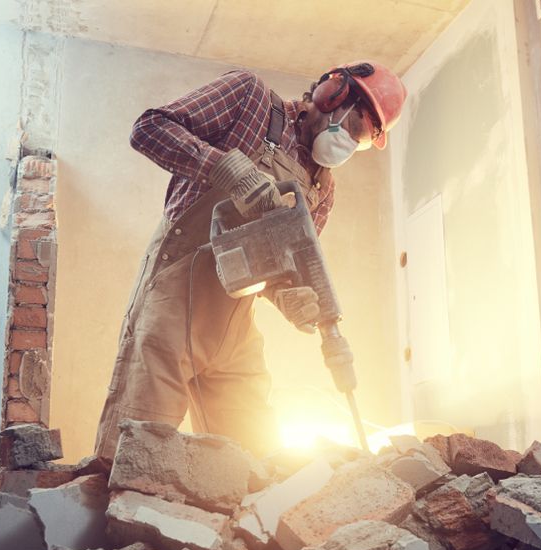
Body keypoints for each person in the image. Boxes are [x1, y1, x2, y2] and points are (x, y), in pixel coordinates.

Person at [93, 61, 406, 462]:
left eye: (362, 140)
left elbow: (281, 268)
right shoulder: (250, 99)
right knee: (136, 455)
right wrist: (226, 170)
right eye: (355, 127)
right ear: (333, 94)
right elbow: (149, 129)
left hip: (234, 324)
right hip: (173, 303)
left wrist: (288, 297)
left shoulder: (321, 189)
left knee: (249, 465)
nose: (350, 143)